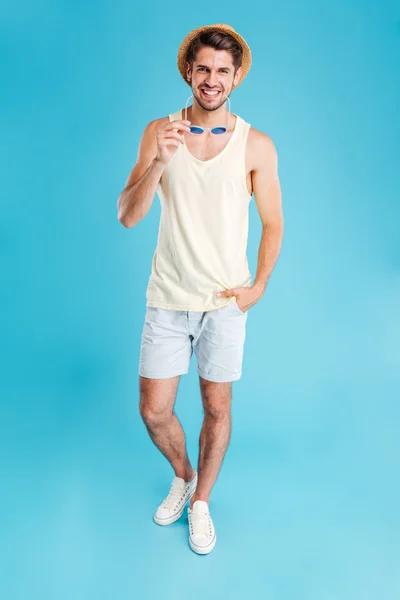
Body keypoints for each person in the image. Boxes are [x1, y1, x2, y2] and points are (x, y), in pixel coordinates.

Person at [117, 23, 284, 555]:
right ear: (189, 71)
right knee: (155, 410)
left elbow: (274, 222)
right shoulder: (158, 132)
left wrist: (258, 285)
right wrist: (161, 161)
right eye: (203, 69)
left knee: (217, 408)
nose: (211, 80)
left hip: (223, 305)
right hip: (167, 298)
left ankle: (201, 503)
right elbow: (127, 215)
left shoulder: (255, 144)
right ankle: (184, 474)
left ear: (236, 77)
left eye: (222, 71)